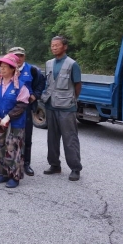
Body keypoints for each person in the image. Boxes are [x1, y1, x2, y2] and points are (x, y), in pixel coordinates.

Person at [41, 36, 83, 181]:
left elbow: (77, 85)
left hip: (66, 107)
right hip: (50, 105)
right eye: (52, 45)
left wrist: (72, 99)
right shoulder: (49, 63)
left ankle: (75, 168)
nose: (54, 48)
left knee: (70, 138)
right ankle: (54, 165)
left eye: (57, 45)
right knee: (52, 138)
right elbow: (48, 83)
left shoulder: (72, 64)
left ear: (65, 47)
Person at [0, 53, 30, 188]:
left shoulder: (20, 86)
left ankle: (15, 176)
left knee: (13, 148)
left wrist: (9, 117)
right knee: (0, 146)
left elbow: (22, 105)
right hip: (0, 122)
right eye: (1, 66)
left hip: (15, 124)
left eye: (5, 67)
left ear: (13, 69)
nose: (2, 69)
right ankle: (3, 173)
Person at [8, 46, 46, 176]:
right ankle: (8, 163)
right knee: (8, 136)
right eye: (15, 56)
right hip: (9, 107)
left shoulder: (32, 70)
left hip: (25, 108)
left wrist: (35, 95)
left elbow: (41, 83)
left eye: (21, 55)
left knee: (26, 136)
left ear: (24, 57)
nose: (18, 58)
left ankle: (26, 164)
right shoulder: (5, 69)